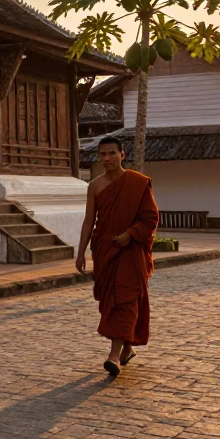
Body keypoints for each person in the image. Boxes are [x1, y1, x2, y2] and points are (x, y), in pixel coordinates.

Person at [75, 135, 160, 377]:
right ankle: (127, 348)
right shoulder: (95, 186)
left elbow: (151, 217)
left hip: (130, 251)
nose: (107, 158)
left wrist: (130, 235)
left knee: (126, 299)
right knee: (110, 301)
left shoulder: (137, 183)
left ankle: (113, 355)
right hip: (105, 249)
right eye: (102, 154)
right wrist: (80, 252)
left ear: (122, 155)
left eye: (112, 153)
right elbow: (89, 220)